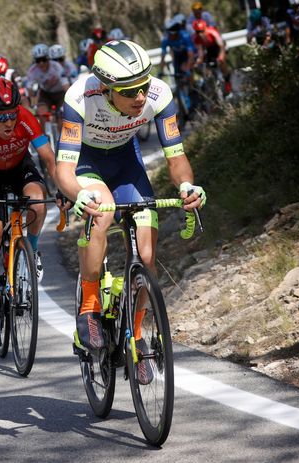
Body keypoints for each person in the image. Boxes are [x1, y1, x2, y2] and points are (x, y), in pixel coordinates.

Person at [54, 40, 205, 382]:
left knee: (147, 257)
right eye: (130, 91)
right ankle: (90, 308)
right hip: (87, 164)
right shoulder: (79, 98)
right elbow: (63, 169)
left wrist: (185, 187)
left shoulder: (159, 95)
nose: (140, 97)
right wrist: (77, 193)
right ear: (107, 89)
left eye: (144, 86)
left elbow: (176, 157)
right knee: (103, 213)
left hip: (126, 164)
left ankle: (135, 336)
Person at [0, 77, 57, 345]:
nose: (9, 122)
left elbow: (49, 160)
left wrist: (63, 188)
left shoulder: (26, 118)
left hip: (19, 168)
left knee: (37, 200)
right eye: (2, 117)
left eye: (12, 115)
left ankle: (33, 249)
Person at [26, 43, 70, 126]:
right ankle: (46, 137)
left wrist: (71, 99)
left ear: (48, 58)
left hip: (60, 93)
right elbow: (29, 88)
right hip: (45, 94)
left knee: (62, 115)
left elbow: (65, 85)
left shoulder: (56, 66)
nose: (41, 63)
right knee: (42, 113)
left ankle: (62, 137)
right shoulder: (32, 70)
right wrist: (33, 103)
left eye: (44, 59)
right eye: (38, 61)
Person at [191, 19, 231, 94]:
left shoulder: (212, 32)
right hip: (209, 50)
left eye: (201, 31)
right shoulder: (197, 38)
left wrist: (220, 57)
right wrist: (198, 61)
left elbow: (221, 46)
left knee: (222, 61)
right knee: (206, 66)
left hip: (218, 47)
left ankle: (227, 81)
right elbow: (200, 52)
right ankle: (212, 85)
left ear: (205, 29)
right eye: (197, 32)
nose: (200, 34)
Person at [159, 19, 196, 84]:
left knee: (187, 70)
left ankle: (193, 89)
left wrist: (188, 67)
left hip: (187, 56)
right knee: (177, 76)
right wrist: (161, 71)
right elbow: (163, 56)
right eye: (169, 35)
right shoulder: (166, 39)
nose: (171, 37)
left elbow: (191, 54)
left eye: (173, 35)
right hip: (177, 57)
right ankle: (180, 88)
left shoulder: (185, 36)